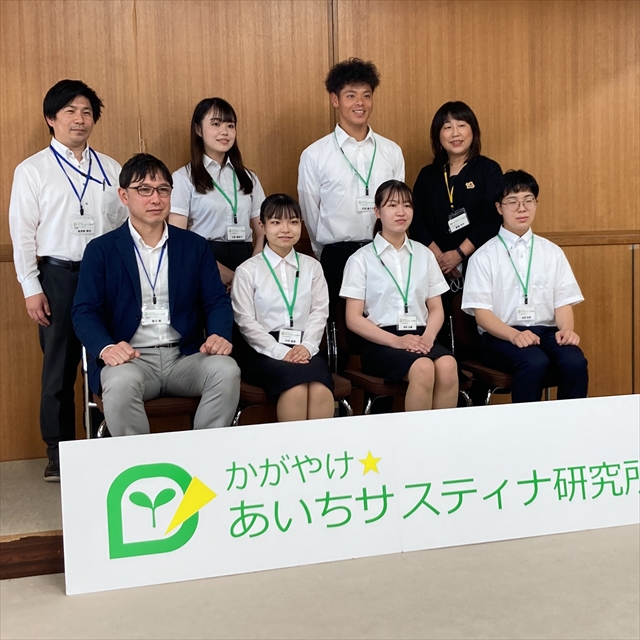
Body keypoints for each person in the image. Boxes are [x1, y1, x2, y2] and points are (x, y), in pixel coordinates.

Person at [8, 79, 128, 481]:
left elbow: (123, 226)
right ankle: (58, 453)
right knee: (58, 368)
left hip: (104, 277)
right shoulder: (32, 170)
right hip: (57, 275)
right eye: (70, 111)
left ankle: (107, 441)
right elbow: (22, 233)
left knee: (108, 360)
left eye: (87, 112)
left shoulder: (110, 168)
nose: (80, 119)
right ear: (51, 118)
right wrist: (31, 287)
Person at [72, 154, 240, 436]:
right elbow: (84, 311)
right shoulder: (101, 250)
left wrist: (219, 334)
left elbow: (216, 301)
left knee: (226, 371)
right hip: (131, 358)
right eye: (144, 190)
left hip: (185, 356)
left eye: (163, 190)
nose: (156, 199)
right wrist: (106, 347)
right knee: (121, 382)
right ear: (124, 196)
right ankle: (139, 462)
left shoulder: (193, 246)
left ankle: (204, 455)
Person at [461, 170, 588, 403]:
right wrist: (514, 335)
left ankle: (569, 423)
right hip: (500, 336)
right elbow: (481, 314)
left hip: (546, 333)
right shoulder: (483, 256)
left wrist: (567, 330)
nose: (522, 208)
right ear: (499, 207)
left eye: (528, 200)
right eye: (512, 202)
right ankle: (527, 426)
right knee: (534, 362)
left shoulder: (552, 252)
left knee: (574, 361)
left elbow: (563, 302)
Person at [298, 58, 405, 320]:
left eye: (366, 95)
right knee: (340, 325)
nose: (360, 103)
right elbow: (310, 212)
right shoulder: (315, 154)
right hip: (337, 255)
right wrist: (323, 251)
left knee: (385, 323)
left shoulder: (391, 151)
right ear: (335, 100)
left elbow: (399, 208)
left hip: (382, 252)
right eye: (351, 95)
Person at [340, 180, 459, 412]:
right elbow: (353, 318)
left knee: (448, 365)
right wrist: (397, 341)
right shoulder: (360, 259)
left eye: (407, 205)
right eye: (392, 205)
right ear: (377, 211)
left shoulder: (424, 254)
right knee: (423, 368)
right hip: (381, 341)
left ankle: (441, 434)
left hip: (421, 336)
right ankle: (416, 435)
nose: (401, 212)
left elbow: (436, 308)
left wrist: (428, 337)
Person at [231, 194, 334, 422]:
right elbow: (245, 321)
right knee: (296, 389)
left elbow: (319, 312)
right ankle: (292, 446)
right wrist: (279, 351)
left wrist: (307, 346)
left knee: (320, 389)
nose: (285, 229)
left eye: (293, 222)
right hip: (262, 350)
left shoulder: (312, 267)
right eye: (276, 222)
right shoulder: (248, 270)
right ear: (262, 226)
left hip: (304, 347)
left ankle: (319, 446)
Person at [169, 97, 266, 290]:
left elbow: (263, 231)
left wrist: (253, 267)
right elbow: (177, 236)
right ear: (198, 130)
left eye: (230, 125)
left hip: (247, 260)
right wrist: (216, 269)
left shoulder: (249, 178)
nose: (225, 132)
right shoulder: (183, 177)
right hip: (205, 259)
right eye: (216, 124)